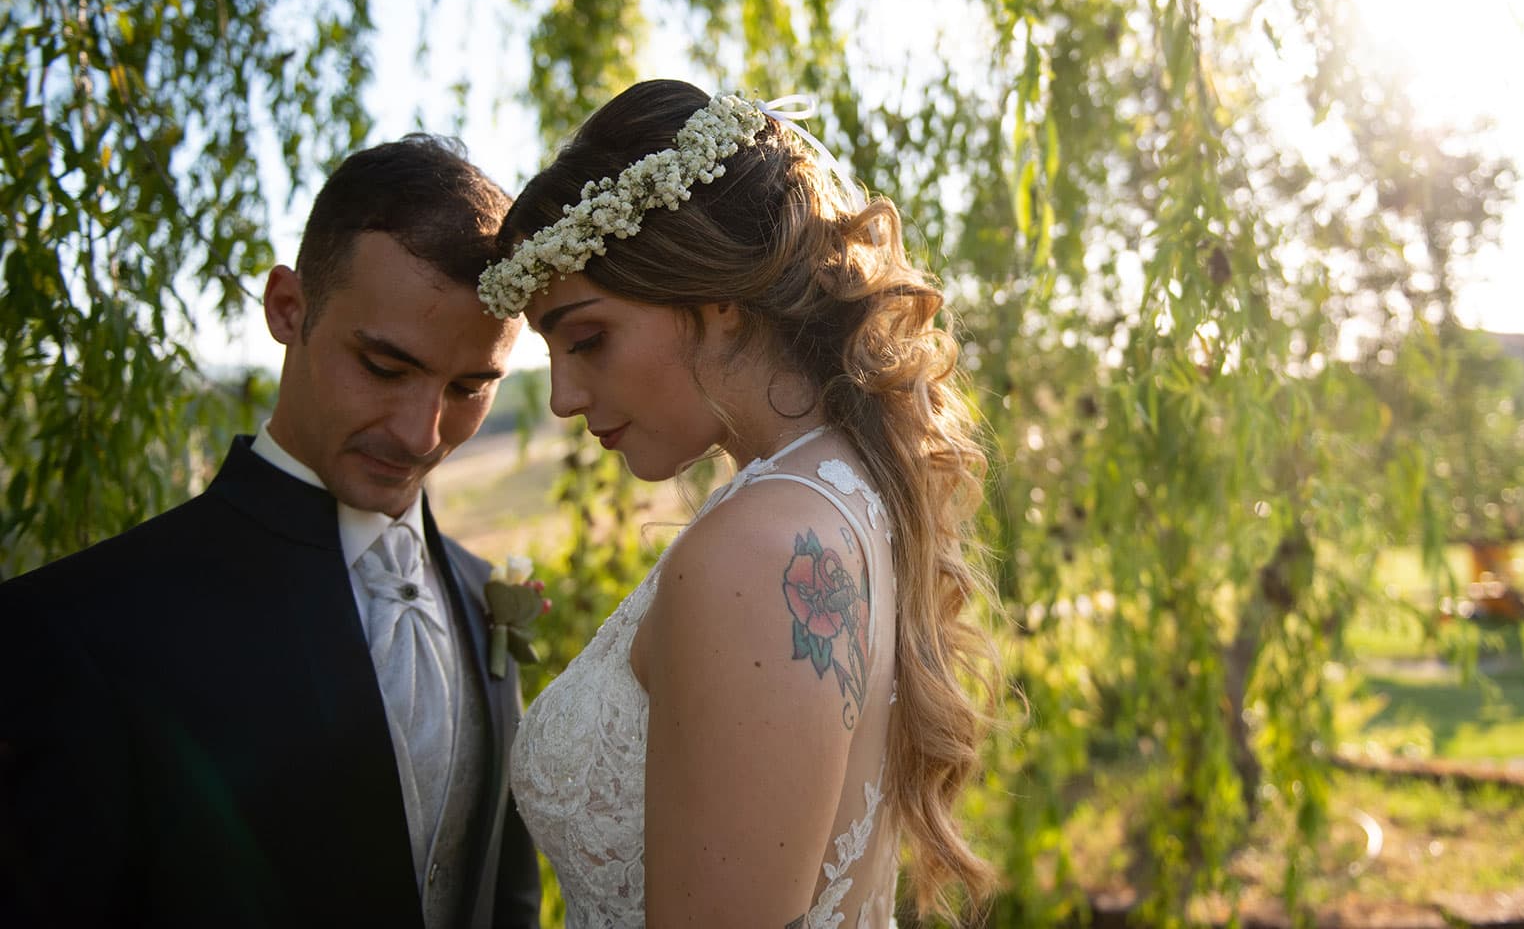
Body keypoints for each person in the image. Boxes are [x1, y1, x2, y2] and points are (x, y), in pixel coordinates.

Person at [485, 80, 1000, 926]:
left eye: (588, 339)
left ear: (714, 302)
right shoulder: (845, 489)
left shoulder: (756, 553)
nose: (564, 399)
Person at [0, 136, 542, 929]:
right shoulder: (73, 627)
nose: (422, 433)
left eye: (467, 387)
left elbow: (502, 895)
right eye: (385, 367)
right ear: (288, 307)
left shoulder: (481, 587)